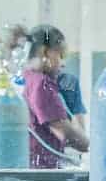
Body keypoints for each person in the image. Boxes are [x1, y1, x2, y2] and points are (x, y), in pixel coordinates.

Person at [22, 25, 90, 169]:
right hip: (41, 172)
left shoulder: (26, 78)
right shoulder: (41, 84)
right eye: (60, 55)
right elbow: (67, 134)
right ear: (45, 52)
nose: (63, 64)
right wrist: (95, 147)